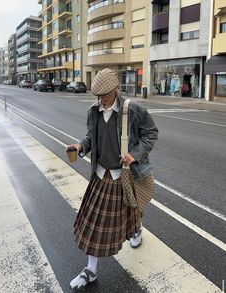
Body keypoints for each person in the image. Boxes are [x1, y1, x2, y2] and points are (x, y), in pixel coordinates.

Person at [66, 68, 158, 291]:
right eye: (98, 96)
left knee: (131, 211)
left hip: (124, 174)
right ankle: (91, 270)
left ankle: (136, 230)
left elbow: (151, 133)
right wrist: (80, 146)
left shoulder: (133, 109)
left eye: (105, 95)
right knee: (95, 224)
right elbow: (90, 136)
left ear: (116, 89)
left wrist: (134, 155)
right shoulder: (94, 111)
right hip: (101, 174)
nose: (102, 100)